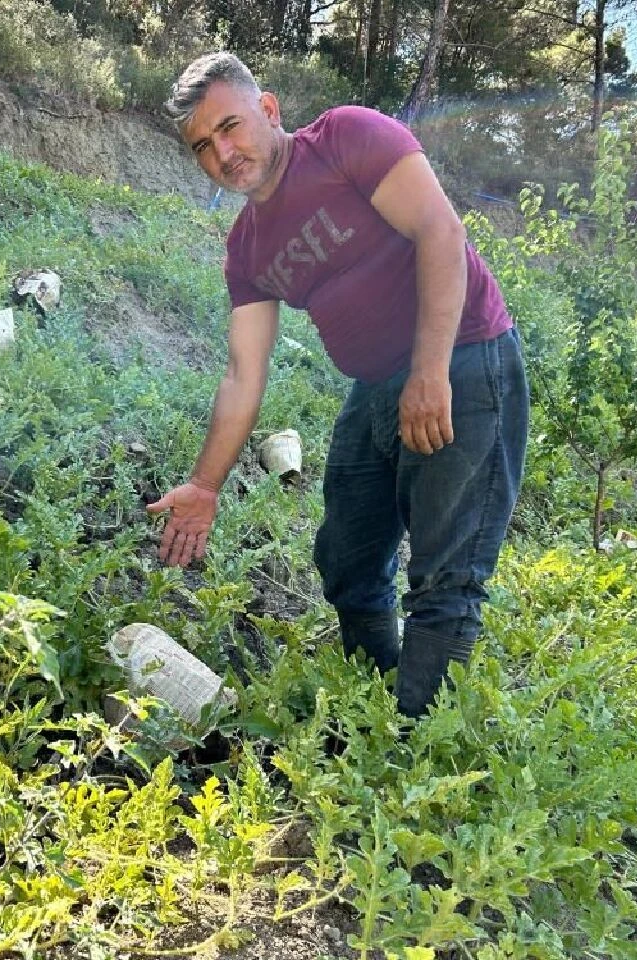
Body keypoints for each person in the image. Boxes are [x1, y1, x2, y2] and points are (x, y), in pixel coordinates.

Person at [146, 52, 529, 719]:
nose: (223, 153)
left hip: (464, 359)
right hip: (375, 386)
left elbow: (440, 229)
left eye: (229, 127)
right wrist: (205, 486)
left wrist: (429, 371)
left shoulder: (347, 138)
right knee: (348, 561)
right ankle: (373, 708)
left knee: (445, 578)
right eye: (203, 146)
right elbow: (243, 373)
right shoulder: (247, 248)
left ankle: (416, 750)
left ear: (268, 109)